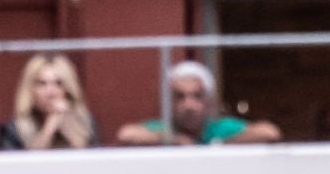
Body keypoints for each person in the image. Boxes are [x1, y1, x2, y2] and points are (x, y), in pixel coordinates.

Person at [116, 60, 281, 146]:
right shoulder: (163, 128)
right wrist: (173, 140)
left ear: (208, 101)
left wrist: (220, 144)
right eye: (180, 97)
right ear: (170, 103)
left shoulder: (220, 128)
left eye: (197, 96)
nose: (189, 105)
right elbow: (126, 135)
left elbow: (269, 133)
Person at [0, 54, 97, 150]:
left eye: (58, 83)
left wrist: (71, 131)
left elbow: (94, 162)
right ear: (30, 90)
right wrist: (50, 126)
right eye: (42, 84)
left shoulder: (87, 125)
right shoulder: (14, 130)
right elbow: (27, 164)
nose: (51, 93)